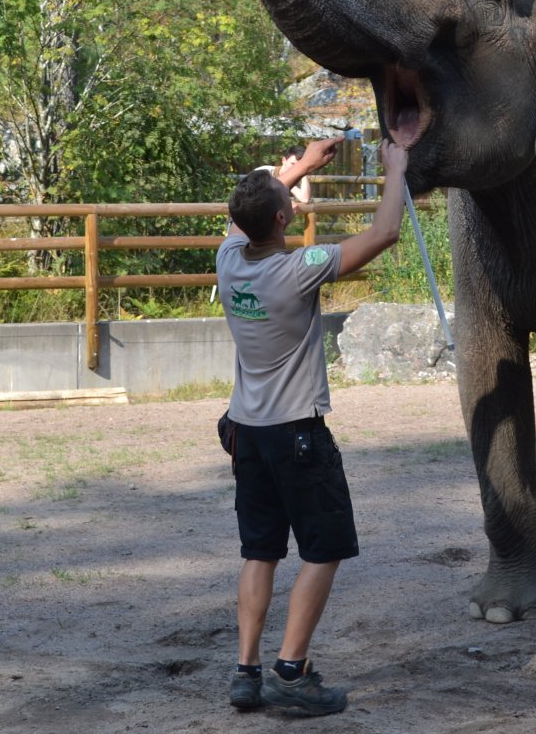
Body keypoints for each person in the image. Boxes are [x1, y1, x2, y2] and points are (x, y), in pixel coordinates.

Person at [217, 135, 408, 716]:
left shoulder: (229, 258)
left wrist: (299, 166)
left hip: (246, 433)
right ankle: (291, 672)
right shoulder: (297, 270)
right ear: (281, 217)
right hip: (297, 434)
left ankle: (246, 672)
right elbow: (384, 234)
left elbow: (243, 215)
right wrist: (395, 168)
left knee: (261, 551)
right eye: (288, 195)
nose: (294, 195)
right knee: (324, 549)